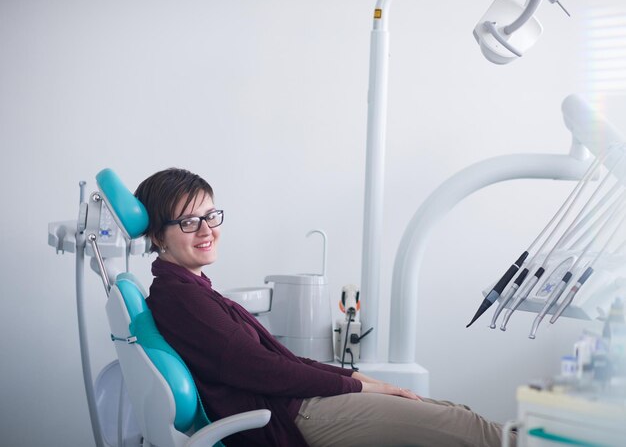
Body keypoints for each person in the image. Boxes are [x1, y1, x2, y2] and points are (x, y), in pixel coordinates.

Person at [134, 168, 516, 447]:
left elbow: (278, 359)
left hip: (297, 403)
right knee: (467, 429)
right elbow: (259, 368)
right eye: (188, 221)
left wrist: (356, 377)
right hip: (294, 415)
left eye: (211, 215)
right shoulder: (181, 298)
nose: (206, 230)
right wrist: (353, 384)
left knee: (456, 414)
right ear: (157, 235)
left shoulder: (191, 289)